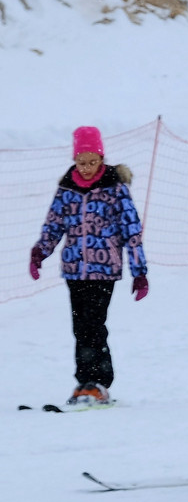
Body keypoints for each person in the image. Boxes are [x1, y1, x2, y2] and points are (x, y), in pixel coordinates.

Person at [30, 126, 149, 407]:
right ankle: (84, 382)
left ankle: (99, 382)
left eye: (92, 162)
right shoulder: (67, 189)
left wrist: (139, 271)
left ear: (101, 158)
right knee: (80, 327)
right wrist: (39, 252)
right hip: (74, 269)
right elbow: (54, 225)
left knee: (94, 324)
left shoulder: (115, 188)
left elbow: (132, 229)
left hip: (104, 270)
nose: (86, 168)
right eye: (81, 162)